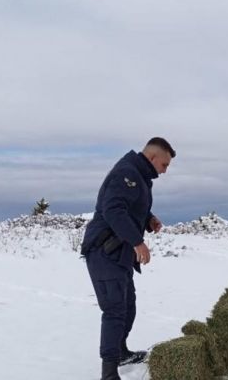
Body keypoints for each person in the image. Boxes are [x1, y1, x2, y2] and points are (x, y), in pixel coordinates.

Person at [80, 137, 175, 380]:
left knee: (128, 306)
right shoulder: (127, 173)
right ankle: (109, 373)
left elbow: (131, 206)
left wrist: (148, 219)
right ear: (153, 158)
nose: (165, 171)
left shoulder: (138, 176)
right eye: (164, 165)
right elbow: (113, 210)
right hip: (105, 252)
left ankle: (120, 352)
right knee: (114, 310)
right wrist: (137, 241)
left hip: (118, 255)